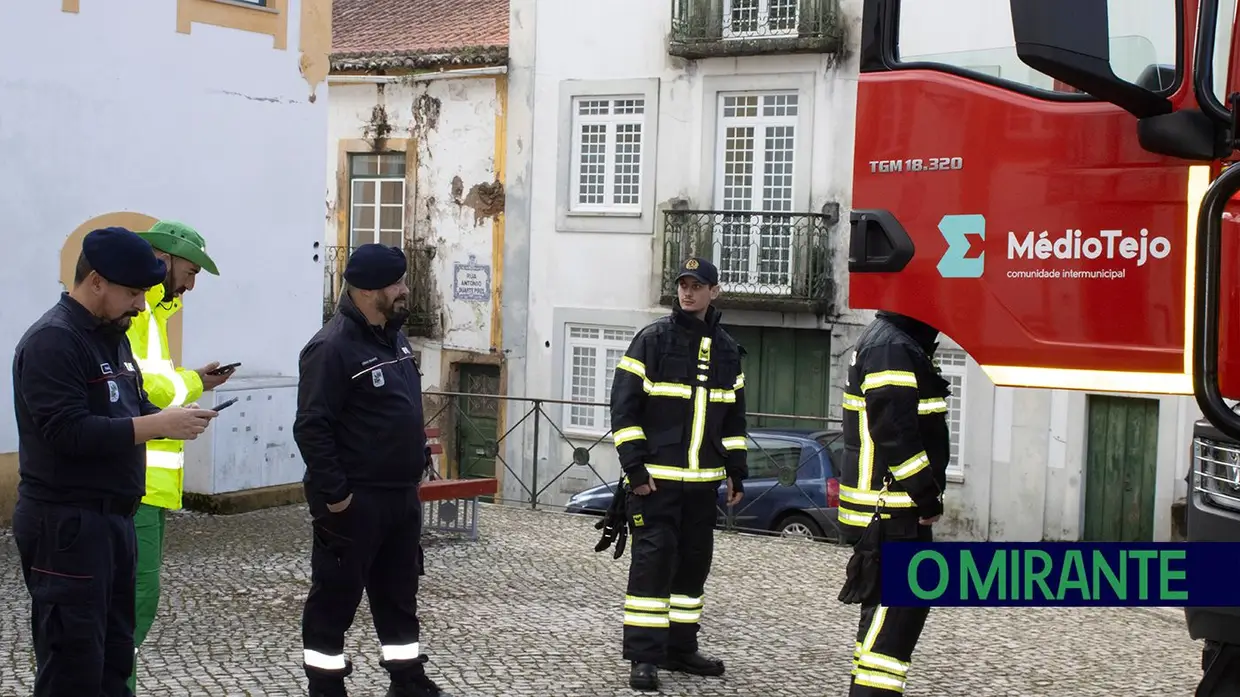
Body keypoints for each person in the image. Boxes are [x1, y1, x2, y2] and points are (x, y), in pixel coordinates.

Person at [11, 226, 219, 697]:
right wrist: (159, 426)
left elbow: (133, 403)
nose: (141, 305)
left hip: (115, 522)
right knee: (72, 665)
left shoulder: (113, 335)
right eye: (133, 293)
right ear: (97, 281)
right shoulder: (53, 341)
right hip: (66, 527)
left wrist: (167, 414)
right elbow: (67, 431)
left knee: (113, 659)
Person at [292, 243, 451, 697]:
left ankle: (407, 679)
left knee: (398, 594)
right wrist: (338, 495)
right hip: (354, 501)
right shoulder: (330, 348)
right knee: (335, 597)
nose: (406, 290)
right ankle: (325, 686)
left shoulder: (394, 336)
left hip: (399, 496)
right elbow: (312, 428)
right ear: (366, 291)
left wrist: (419, 453)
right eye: (396, 283)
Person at [597, 257, 749, 692]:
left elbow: (734, 420)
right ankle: (644, 658)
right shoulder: (652, 340)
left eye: (697, 285)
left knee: (693, 567)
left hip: (703, 487)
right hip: (655, 484)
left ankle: (680, 648)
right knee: (652, 566)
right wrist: (635, 470)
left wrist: (736, 472)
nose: (688, 292)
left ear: (713, 291)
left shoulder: (727, 351)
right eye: (683, 284)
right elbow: (623, 411)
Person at [125, 220, 235, 692]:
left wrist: (196, 379)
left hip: (149, 484)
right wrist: (191, 385)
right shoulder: (139, 315)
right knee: (135, 600)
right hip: (137, 484)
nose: (191, 285)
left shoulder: (153, 314)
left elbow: (154, 383)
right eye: (189, 272)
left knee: (135, 601)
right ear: (162, 260)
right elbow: (147, 388)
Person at [836, 310, 951, 696]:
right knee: (896, 619)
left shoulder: (896, 341)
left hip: (888, 510)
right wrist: (926, 494)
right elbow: (894, 431)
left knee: (884, 618)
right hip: (893, 510)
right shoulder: (893, 346)